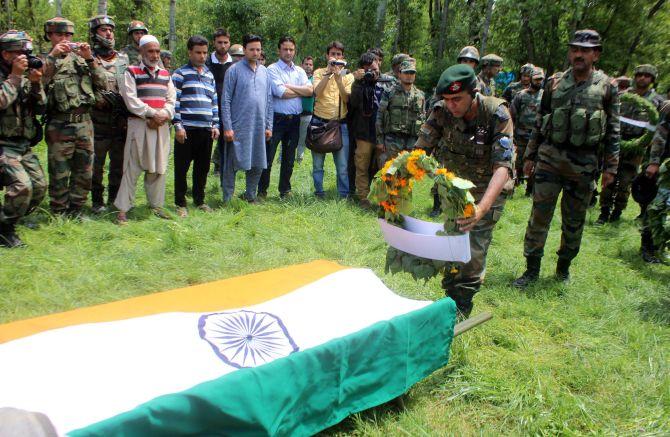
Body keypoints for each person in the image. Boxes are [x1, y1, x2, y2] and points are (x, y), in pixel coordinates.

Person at [513, 29, 620, 287]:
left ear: (596, 54)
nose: (578, 54)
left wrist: (611, 167)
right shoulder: (554, 83)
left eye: (585, 50)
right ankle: (531, 269)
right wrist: (530, 155)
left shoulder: (607, 87)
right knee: (539, 217)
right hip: (550, 159)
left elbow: (614, 129)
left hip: (583, 166)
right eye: (574, 49)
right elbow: (540, 121)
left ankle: (563, 268)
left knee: (573, 222)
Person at [414, 64, 513, 317]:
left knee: (472, 249)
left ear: (474, 92)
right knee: (452, 243)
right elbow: (419, 152)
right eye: (446, 99)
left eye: (457, 99)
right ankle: (450, 298)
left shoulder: (496, 114)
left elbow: (502, 168)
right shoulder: (441, 111)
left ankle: (462, 308)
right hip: (456, 191)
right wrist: (393, 184)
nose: (451, 105)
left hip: (487, 191)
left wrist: (481, 209)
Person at [42, 17, 106, 217]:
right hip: (59, 124)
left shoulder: (82, 59)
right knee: (59, 171)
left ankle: (76, 209)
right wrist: (53, 56)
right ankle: (59, 212)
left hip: (85, 123)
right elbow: (38, 85)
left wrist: (89, 58)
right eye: (59, 35)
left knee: (84, 171)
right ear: (50, 36)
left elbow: (103, 82)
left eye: (68, 35)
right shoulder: (43, 60)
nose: (64, 39)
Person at [114, 35, 176, 223]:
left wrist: (163, 114)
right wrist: (151, 113)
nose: (155, 55)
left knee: (159, 167)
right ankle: (123, 209)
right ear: (141, 52)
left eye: (157, 51)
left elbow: (171, 100)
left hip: (161, 126)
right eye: (150, 51)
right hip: (140, 125)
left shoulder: (166, 75)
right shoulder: (131, 72)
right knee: (132, 167)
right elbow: (130, 100)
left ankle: (156, 205)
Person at [597, 64, 665, 224]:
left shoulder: (657, 101)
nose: (642, 78)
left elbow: (659, 128)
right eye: (639, 75)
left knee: (626, 181)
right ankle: (604, 211)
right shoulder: (622, 96)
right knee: (608, 178)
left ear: (652, 79)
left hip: (638, 146)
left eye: (646, 76)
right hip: (617, 142)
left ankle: (617, 211)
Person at [0, 30, 47, 247]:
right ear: (5, 54)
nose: (24, 57)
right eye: (19, 53)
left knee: (38, 187)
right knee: (22, 187)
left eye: (26, 53)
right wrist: (16, 77)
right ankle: (5, 230)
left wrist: (36, 84)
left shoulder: (24, 73)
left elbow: (40, 107)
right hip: (3, 144)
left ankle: (9, 219)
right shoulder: (11, 75)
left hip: (23, 144)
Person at [221, 34, 273, 203]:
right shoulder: (233, 70)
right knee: (231, 164)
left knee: (257, 162)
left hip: (259, 126)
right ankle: (227, 198)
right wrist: (227, 127)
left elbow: (269, 100)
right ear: (244, 50)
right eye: (252, 49)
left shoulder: (265, 72)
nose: (255, 53)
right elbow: (226, 100)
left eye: (258, 49)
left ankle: (250, 195)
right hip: (238, 126)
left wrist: (268, 125)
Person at [258, 36, 312, 199]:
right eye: (285, 49)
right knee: (268, 156)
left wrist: (288, 87)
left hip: (294, 119)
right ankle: (262, 191)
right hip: (276, 119)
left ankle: (285, 190)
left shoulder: (300, 71)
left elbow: (310, 92)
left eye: (291, 49)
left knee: (289, 158)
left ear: (294, 51)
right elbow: (280, 93)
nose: (288, 52)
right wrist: (299, 90)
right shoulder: (272, 69)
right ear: (279, 50)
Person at [172, 35, 219, 217]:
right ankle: (180, 203)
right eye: (198, 52)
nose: (202, 56)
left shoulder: (209, 75)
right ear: (189, 52)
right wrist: (178, 126)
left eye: (205, 53)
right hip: (187, 130)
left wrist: (215, 125)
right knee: (182, 167)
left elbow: (214, 102)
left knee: (202, 168)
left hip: (206, 130)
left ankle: (199, 200)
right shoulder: (180, 74)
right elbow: (174, 101)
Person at [88, 15, 130, 214]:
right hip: (97, 122)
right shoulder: (88, 59)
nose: (109, 33)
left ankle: (115, 199)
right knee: (96, 165)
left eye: (111, 30)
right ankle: (97, 201)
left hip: (119, 121)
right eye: (104, 30)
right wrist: (97, 100)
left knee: (118, 165)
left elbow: (129, 87)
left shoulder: (123, 59)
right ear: (94, 34)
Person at [310, 41, 353, 198]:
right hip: (319, 123)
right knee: (317, 165)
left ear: (343, 57)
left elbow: (346, 99)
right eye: (332, 54)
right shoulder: (319, 72)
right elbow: (317, 92)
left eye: (338, 54)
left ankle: (343, 195)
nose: (335, 57)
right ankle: (318, 192)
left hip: (340, 124)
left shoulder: (348, 75)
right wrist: (328, 74)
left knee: (342, 166)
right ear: (327, 55)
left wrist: (338, 78)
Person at [376, 59, 425, 166]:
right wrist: (379, 140)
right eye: (406, 72)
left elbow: (423, 120)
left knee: (408, 174)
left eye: (412, 73)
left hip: (412, 142)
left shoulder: (420, 95)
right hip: (392, 141)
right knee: (389, 174)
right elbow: (379, 116)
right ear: (399, 74)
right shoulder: (389, 92)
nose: (409, 75)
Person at [349, 52, 382, 207]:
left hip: (381, 132)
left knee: (382, 166)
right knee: (361, 165)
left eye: (375, 69)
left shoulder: (386, 82)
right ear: (362, 69)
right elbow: (353, 103)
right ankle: (363, 197)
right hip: (363, 132)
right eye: (369, 70)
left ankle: (383, 198)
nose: (373, 73)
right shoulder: (358, 83)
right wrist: (357, 82)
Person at [640, 107, 670, 262]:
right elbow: (660, 136)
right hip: (666, 168)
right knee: (656, 207)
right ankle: (648, 248)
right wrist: (654, 162)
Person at [510, 67, 544, 194]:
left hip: (538, 137)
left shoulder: (545, 96)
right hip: (521, 136)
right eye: (536, 79)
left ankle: (530, 190)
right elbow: (512, 114)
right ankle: (512, 187)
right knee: (516, 164)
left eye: (541, 79)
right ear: (531, 79)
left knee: (536, 165)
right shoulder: (521, 95)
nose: (538, 82)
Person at [205, 28, 232, 176]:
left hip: (227, 110)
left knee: (226, 143)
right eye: (219, 42)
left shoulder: (234, 64)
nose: (222, 45)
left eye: (225, 42)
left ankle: (222, 172)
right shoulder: (206, 62)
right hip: (207, 110)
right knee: (205, 145)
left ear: (229, 43)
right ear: (214, 43)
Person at [296, 56, 314, 164]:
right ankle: (281, 158)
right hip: (295, 113)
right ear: (302, 65)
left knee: (302, 138)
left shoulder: (315, 79)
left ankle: (299, 160)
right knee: (289, 138)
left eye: (310, 64)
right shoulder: (297, 77)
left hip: (308, 114)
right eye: (306, 64)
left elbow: (312, 92)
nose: (308, 66)